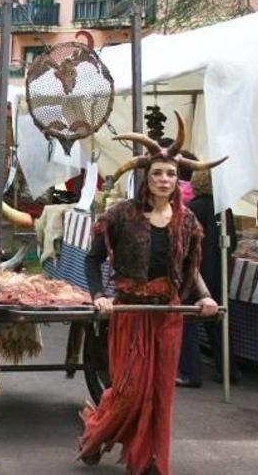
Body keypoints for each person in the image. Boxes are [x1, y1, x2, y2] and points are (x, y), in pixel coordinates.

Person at [78, 121, 222, 475]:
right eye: (157, 173)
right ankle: (96, 434)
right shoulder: (122, 215)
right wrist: (100, 295)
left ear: (178, 179)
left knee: (159, 393)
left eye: (171, 174)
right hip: (131, 311)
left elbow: (191, 268)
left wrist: (206, 298)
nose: (164, 179)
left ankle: (149, 459)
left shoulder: (187, 221)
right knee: (129, 389)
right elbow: (93, 259)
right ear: (146, 177)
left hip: (168, 314)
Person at [177, 169, 240, 388]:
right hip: (219, 269)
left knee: (187, 320)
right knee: (218, 321)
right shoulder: (225, 210)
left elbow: (184, 245)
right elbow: (233, 242)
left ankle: (190, 372)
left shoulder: (192, 209)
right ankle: (229, 370)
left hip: (197, 272)